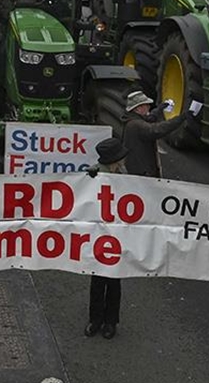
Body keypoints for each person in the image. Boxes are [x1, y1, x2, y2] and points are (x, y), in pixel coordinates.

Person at [84, 137, 127, 340]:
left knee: (113, 281)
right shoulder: (95, 173)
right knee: (98, 280)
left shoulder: (123, 174)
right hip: (99, 235)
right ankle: (95, 320)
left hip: (117, 235)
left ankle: (110, 322)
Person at [121, 90, 200, 178]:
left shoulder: (132, 120)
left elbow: (150, 117)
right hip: (142, 172)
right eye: (146, 105)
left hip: (138, 169)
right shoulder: (136, 125)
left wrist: (160, 108)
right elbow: (158, 129)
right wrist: (181, 118)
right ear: (137, 109)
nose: (148, 106)